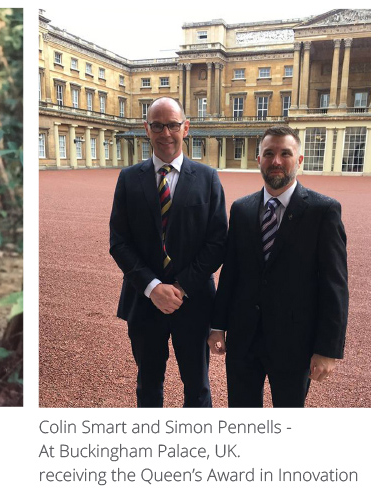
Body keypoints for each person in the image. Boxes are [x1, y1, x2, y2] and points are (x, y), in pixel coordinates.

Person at [208, 126, 348, 407]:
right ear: (258, 159)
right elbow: (231, 272)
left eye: (285, 153)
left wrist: (327, 349)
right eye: (269, 153)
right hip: (244, 339)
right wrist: (218, 326)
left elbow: (334, 284)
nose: (276, 161)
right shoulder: (242, 209)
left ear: (299, 160)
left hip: (295, 343)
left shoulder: (323, 211)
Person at [109, 97, 227, 407]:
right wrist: (152, 288)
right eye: (158, 126)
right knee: (148, 385)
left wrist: (180, 287)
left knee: (198, 387)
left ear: (185, 128)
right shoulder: (128, 178)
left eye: (173, 125)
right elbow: (119, 242)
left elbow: (217, 242)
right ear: (146, 129)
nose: (166, 134)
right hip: (144, 301)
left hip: (194, 302)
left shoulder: (207, 178)